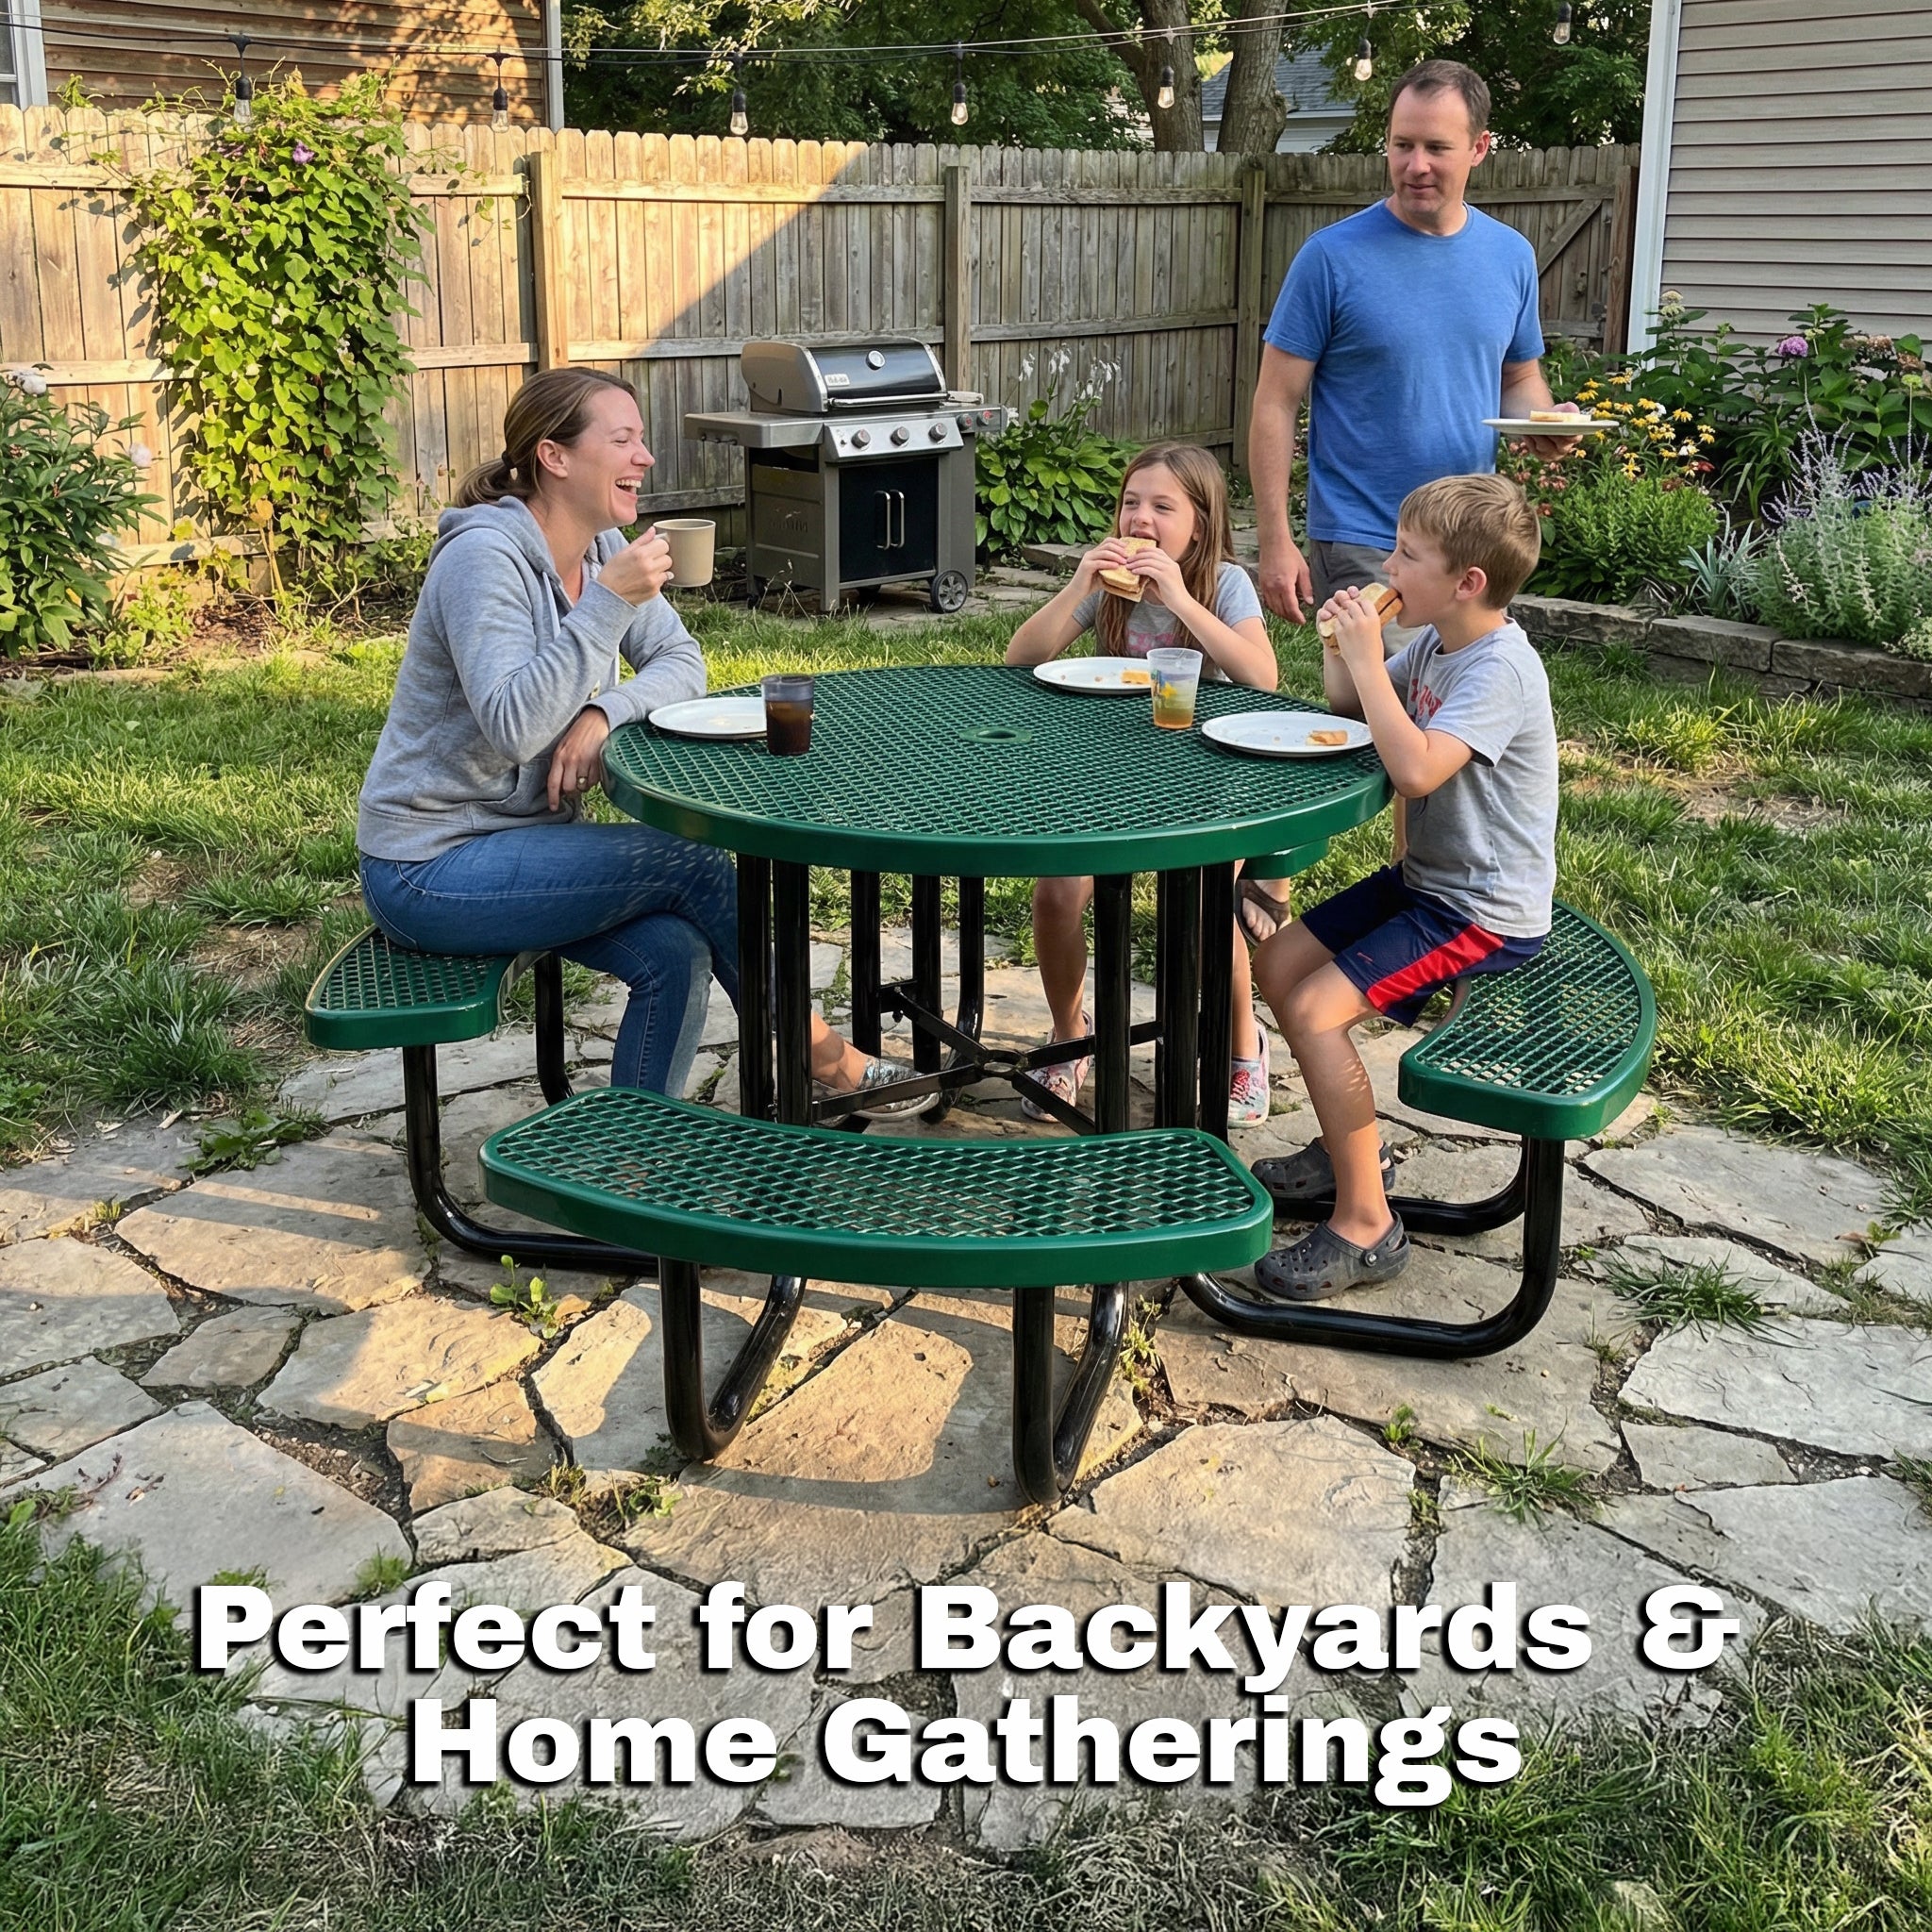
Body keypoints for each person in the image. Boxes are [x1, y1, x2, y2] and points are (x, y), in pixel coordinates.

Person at [357, 366, 915, 1113]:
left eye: (641, 439)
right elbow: (516, 726)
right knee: (694, 863)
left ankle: (633, 1154)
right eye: (622, 440)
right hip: (429, 867)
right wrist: (609, 605)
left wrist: (603, 712)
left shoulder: (598, 546)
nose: (645, 457)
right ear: (555, 457)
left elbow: (684, 662)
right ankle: (825, 1058)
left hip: (522, 844)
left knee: (674, 953)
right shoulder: (481, 559)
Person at [1247, 475, 1557, 1300]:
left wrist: (1367, 662)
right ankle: (1351, 1148)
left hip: (1481, 911)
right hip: (1428, 881)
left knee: (1314, 1011)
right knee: (1277, 970)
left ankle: (1366, 1224)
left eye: (1407, 555)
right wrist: (1339, 646)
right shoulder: (1435, 641)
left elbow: (1416, 771)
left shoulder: (1500, 669)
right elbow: (1353, 702)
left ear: (1468, 583)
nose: (1388, 566)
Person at [1004, 442, 1281, 1125]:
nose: (1141, 519)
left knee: (1205, 903)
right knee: (1057, 890)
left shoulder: (1223, 584)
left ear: (1201, 523)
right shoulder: (1107, 587)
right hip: (1111, 770)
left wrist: (1182, 599)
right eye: (1132, 503)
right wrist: (1078, 588)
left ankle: (1244, 1045)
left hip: (1209, 775)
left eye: (1163, 506)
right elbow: (1020, 659)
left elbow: (1262, 677)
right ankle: (1071, 1035)